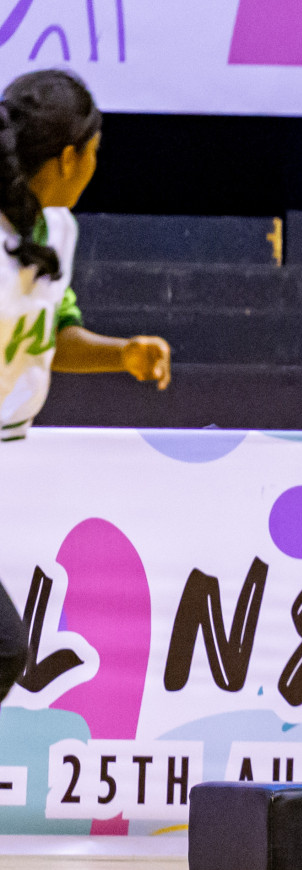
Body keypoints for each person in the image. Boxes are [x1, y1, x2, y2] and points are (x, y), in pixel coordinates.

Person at [0, 69, 172, 708]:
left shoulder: (56, 233)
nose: (97, 165)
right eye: (96, 153)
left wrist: (120, 354)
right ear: (70, 157)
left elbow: (51, 335)